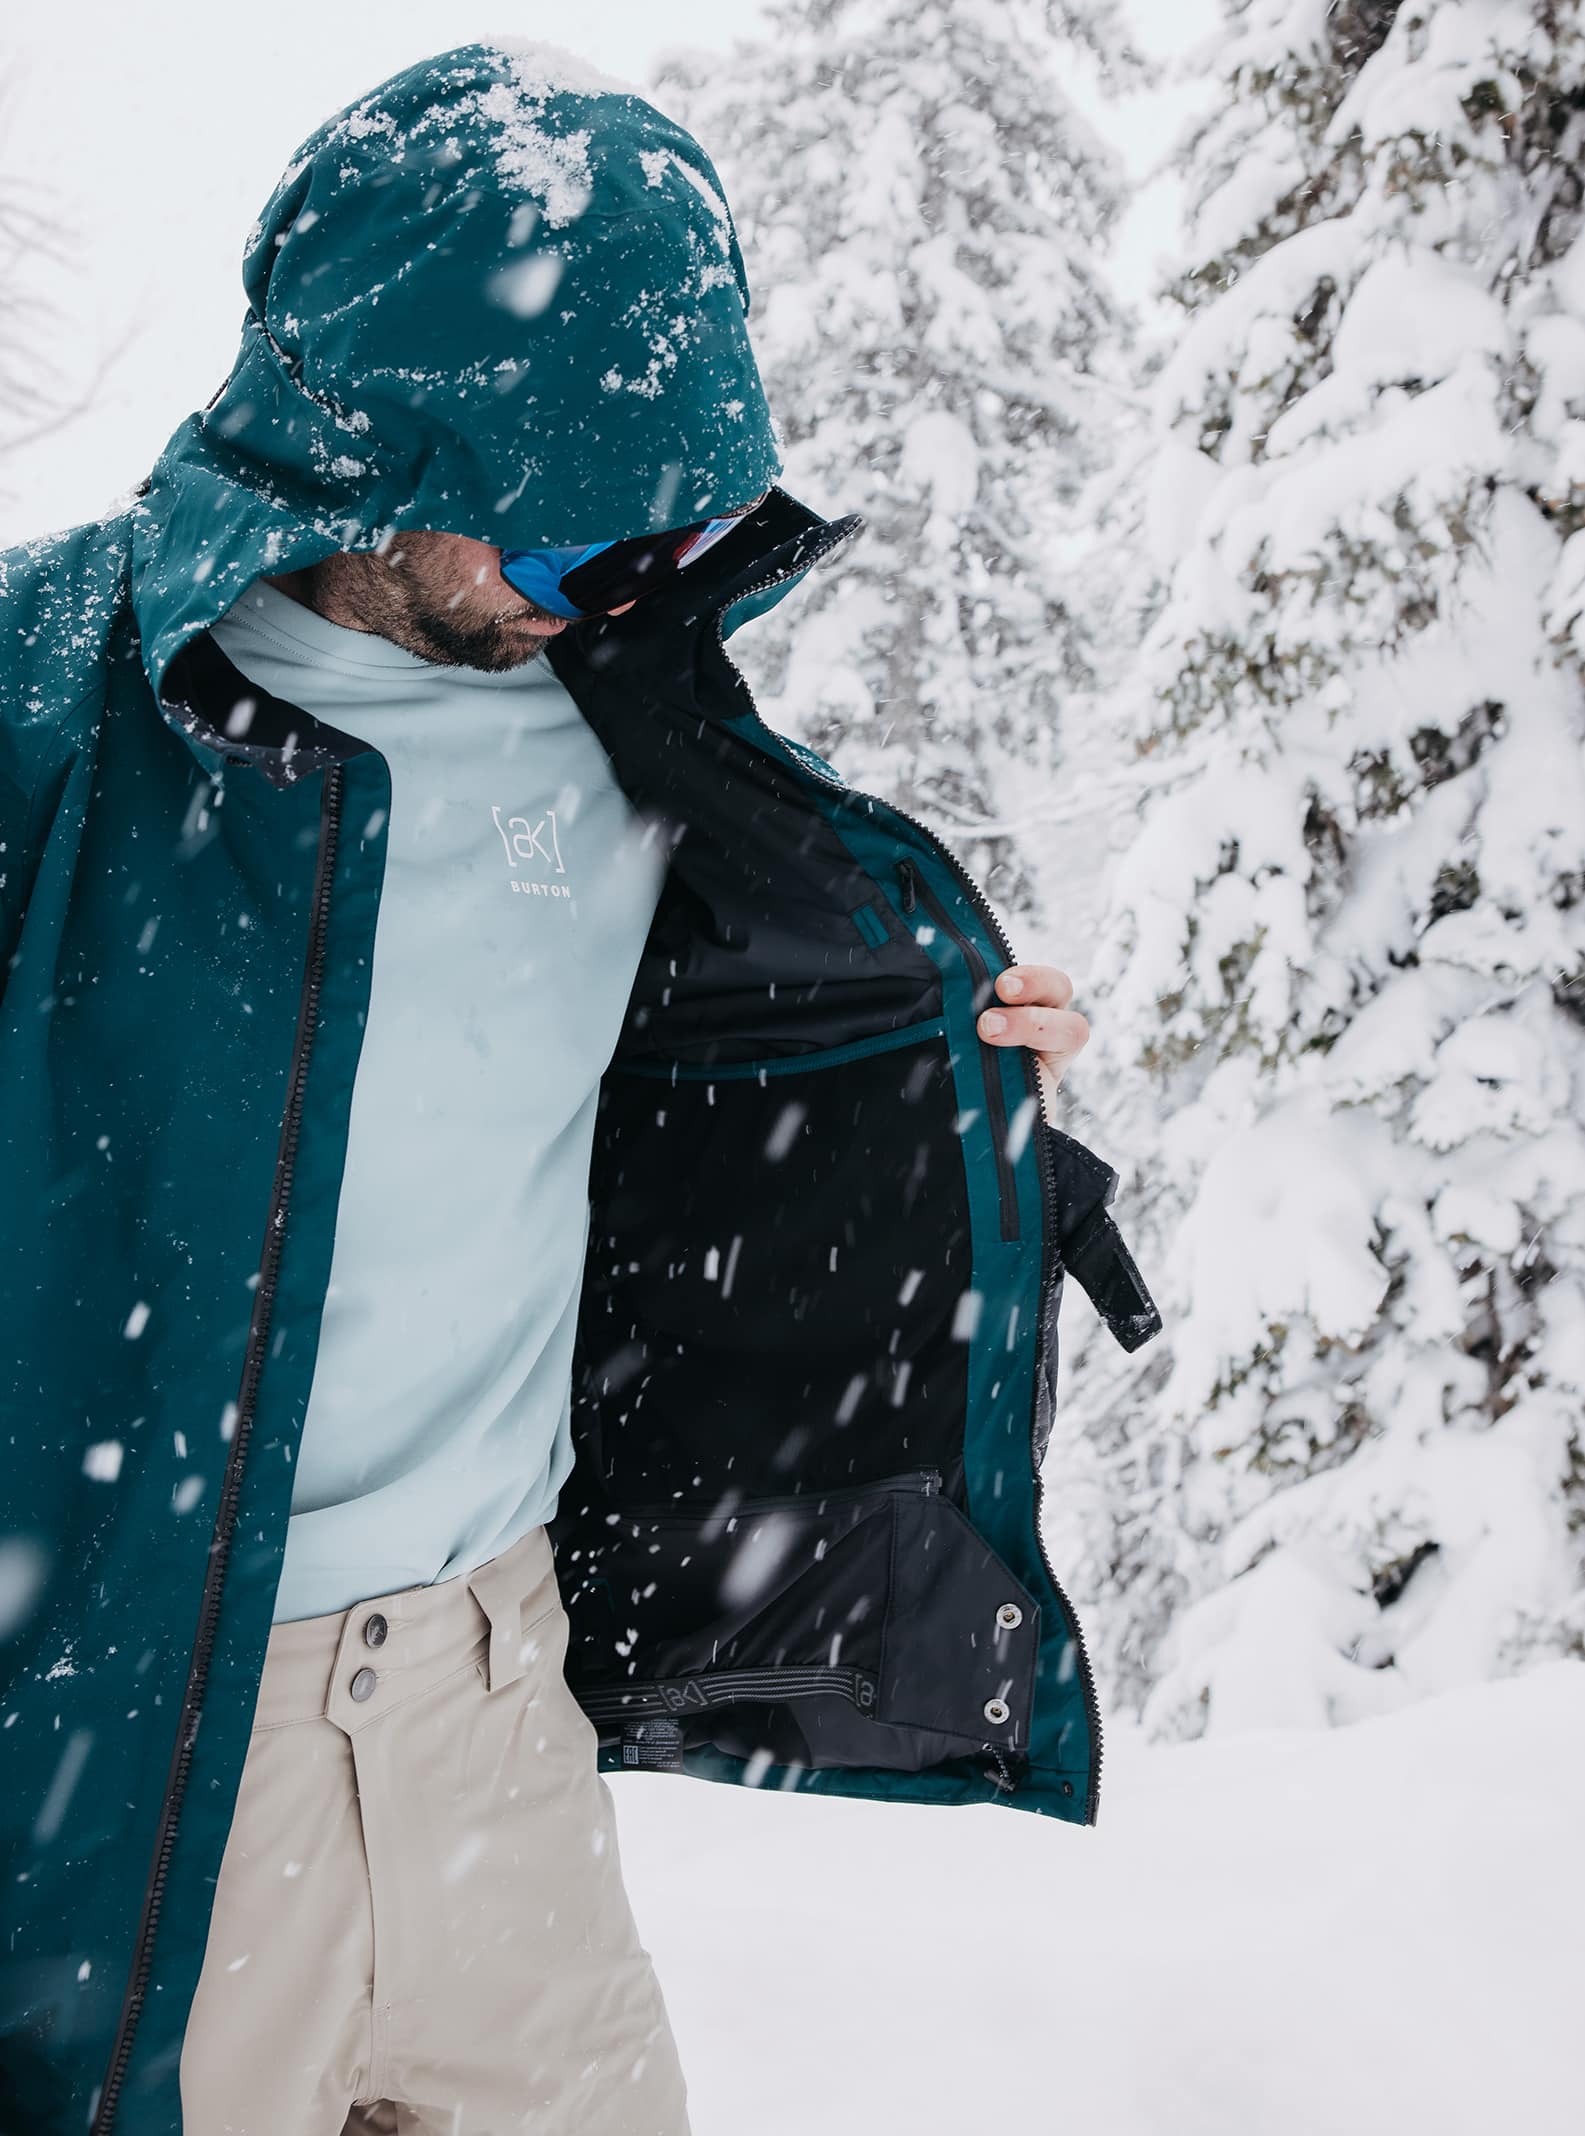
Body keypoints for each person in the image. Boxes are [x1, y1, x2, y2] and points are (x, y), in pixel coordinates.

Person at [0, 39, 1161, 2136]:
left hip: (487, 1708)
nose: (612, 600)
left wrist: (946, 1119)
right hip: (128, 1736)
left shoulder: (635, 736)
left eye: (669, 543)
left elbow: (686, 1109)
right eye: (557, 551)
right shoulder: (50, 713)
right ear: (363, 442)